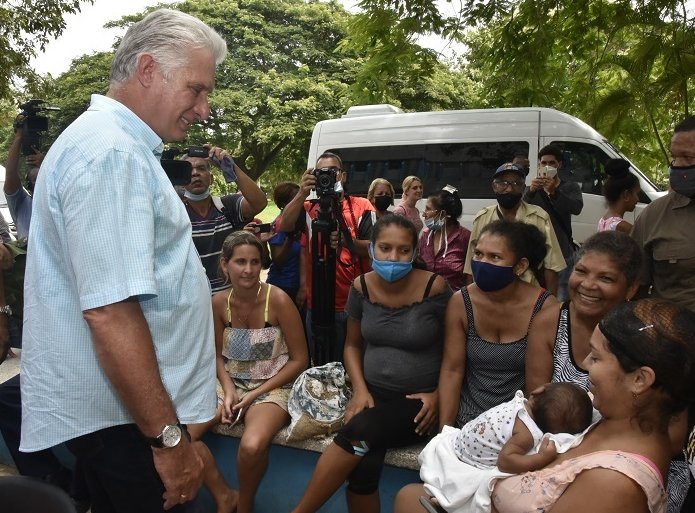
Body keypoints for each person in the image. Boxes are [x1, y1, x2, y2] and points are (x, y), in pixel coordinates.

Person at [19, 9, 228, 512]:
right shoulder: (111, 152)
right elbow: (109, 310)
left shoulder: (112, 146)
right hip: (130, 426)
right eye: (196, 90)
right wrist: (169, 442)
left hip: (125, 419)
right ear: (149, 70)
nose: (203, 109)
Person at [396, 299, 695, 513]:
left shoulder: (612, 487)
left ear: (640, 380)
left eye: (597, 357)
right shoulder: (616, 417)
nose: (586, 365)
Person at [290, 214, 452, 513]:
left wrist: (439, 395)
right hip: (372, 395)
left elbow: (456, 354)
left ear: (414, 252)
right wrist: (361, 390)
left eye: (403, 250)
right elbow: (352, 344)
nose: (394, 257)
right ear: (372, 248)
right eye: (385, 248)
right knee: (361, 471)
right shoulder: (361, 286)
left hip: (420, 402)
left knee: (361, 430)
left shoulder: (436, 289)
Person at [189, 231, 308, 513]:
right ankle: (223, 494)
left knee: (252, 446)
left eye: (255, 262)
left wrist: (255, 393)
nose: (249, 269)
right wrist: (229, 391)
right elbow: (216, 356)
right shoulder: (218, 303)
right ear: (224, 264)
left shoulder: (278, 300)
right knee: (182, 438)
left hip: (274, 387)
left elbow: (300, 360)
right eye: (240, 261)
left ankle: (245, 505)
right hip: (229, 383)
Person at [440, 219, 555, 429]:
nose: (482, 263)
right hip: (467, 420)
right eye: (478, 254)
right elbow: (452, 370)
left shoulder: (545, 308)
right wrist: (444, 432)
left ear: (520, 266)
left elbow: (538, 386)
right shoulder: (461, 302)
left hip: (514, 424)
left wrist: (529, 435)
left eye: (494, 257)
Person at [278, 152, 374, 363]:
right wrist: (302, 192)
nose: (327, 177)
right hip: (318, 302)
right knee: (321, 365)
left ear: (343, 176)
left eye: (333, 172)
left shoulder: (362, 206)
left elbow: (374, 248)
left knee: (352, 364)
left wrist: (345, 240)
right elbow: (283, 225)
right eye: (321, 173)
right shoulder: (309, 207)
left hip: (353, 303)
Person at [525, 230, 642, 392]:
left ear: (631, 289)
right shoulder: (549, 323)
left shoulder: (641, 334)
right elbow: (536, 401)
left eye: (605, 278)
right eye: (581, 271)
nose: (587, 284)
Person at [463, 163, 566, 296]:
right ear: (494, 187)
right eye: (503, 183)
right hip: (489, 293)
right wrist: (472, 299)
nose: (509, 189)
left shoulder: (539, 217)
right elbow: (470, 263)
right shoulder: (483, 217)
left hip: (527, 295)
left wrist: (551, 304)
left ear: (523, 188)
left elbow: (552, 265)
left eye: (516, 183)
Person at [631, 115, 695, 312]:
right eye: (674, 157)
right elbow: (635, 287)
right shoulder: (654, 216)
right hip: (673, 338)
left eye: (688, 158)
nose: (676, 165)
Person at [183, 144, 267, 293]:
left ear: (212, 178)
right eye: (189, 170)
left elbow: (259, 202)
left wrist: (229, 165)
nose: (195, 173)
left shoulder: (226, 206)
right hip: (194, 304)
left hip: (230, 302)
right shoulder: (176, 213)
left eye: (201, 168)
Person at [523, 145, 583, 300]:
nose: (547, 166)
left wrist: (555, 193)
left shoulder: (570, 187)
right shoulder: (533, 188)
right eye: (543, 163)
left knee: (561, 297)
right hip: (538, 251)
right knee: (535, 295)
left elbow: (576, 208)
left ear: (559, 165)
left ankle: (559, 322)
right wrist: (530, 192)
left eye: (552, 163)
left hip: (562, 250)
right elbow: (520, 210)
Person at [419, 185, 471, 292]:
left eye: (428, 209)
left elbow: (471, 277)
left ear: (443, 214)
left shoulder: (465, 237)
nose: (424, 214)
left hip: (456, 301)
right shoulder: (425, 236)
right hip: (427, 301)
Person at [266, 181, 306, 309]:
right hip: (282, 285)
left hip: (297, 284)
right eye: (296, 197)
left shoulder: (301, 221)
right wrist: (290, 239)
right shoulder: (278, 225)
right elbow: (278, 260)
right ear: (284, 203)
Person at [3, 122, 43, 239]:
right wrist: (19, 136)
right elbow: (11, 173)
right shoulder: (23, 204)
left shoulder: (56, 203)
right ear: (29, 184)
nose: (37, 182)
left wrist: (45, 164)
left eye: (41, 177)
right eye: (34, 179)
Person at [597, 158, 641, 233]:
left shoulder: (603, 221)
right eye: (637, 194)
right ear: (626, 195)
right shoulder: (624, 228)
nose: (638, 199)